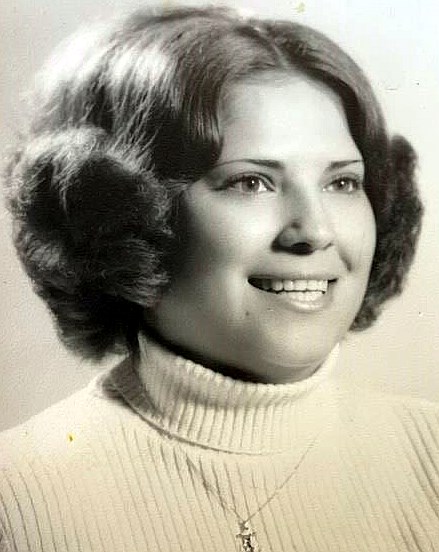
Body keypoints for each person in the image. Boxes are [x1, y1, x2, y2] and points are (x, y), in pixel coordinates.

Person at [0, 5, 437, 552]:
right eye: (251, 182)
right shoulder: (16, 498)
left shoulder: (430, 455)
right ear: (125, 217)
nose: (314, 231)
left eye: (343, 183)